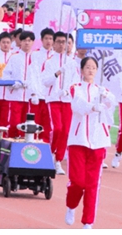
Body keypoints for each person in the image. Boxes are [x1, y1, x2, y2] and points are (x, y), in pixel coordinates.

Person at [64, 56, 116, 229]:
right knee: (78, 181)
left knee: (93, 184)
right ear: (82, 70)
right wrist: (93, 106)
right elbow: (77, 105)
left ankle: (88, 222)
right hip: (78, 140)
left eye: (94, 67)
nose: (91, 70)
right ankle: (71, 206)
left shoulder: (102, 90)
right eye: (88, 67)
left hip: (98, 141)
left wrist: (106, 98)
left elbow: (112, 105)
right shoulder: (75, 88)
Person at [42, 31, 80, 174]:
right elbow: (45, 81)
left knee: (65, 131)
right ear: (54, 43)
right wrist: (57, 73)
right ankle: (50, 153)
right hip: (53, 99)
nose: (61, 45)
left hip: (67, 100)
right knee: (57, 128)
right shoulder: (49, 61)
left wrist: (68, 91)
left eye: (64, 42)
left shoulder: (72, 62)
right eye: (58, 42)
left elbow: (76, 82)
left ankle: (58, 160)